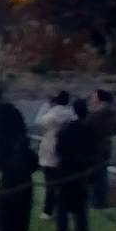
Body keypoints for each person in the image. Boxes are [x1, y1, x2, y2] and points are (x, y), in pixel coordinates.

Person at [53, 98, 94, 231]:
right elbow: (93, 152)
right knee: (81, 208)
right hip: (81, 172)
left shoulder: (66, 130)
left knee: (62, 207)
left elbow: (59, 151)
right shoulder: (89, 130)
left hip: (65, 171)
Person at [35, 91, 77, 220]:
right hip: (67, 152)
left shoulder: (51, 115)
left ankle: (48, 210)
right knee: (64, 182)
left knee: (50, 183)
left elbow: (38, 122)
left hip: (50, 149)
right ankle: (65, 208)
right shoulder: (72, 115)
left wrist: (46, 106)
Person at [0, 135, 39, 231]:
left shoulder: (7, 153)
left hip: (9, 184)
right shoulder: (29, 154)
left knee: (9, 210)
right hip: (22, 185)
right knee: (20, 211)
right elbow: (35, 166)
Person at [86, 89, 116, 209]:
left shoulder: (97, 114)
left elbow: (88, 128)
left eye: (94, 97)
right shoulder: (113, 114)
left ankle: (95, 201)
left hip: (95, 148)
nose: (91, 99)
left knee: (95, 176)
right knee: (102, 175)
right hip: (105, 148)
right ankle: (101, 201)